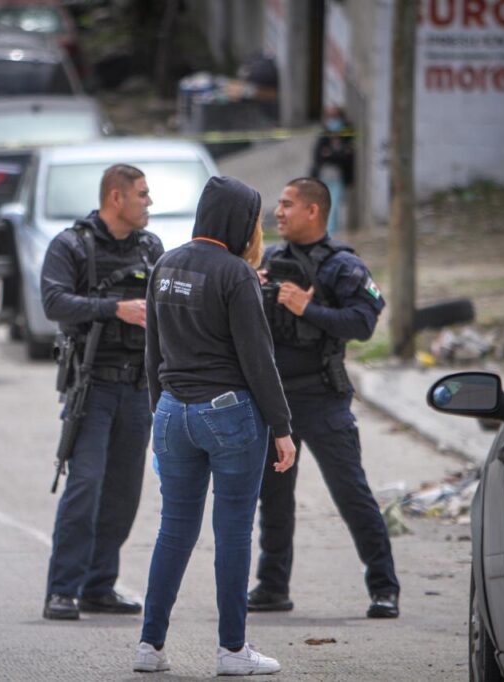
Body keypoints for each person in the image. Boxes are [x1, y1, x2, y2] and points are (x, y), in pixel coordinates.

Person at [134, 176, 296, 676]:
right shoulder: (236, 274)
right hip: (228, 414)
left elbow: (152, 353)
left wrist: (159, 417)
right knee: (232, 533)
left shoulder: (165, 264)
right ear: (240, 221)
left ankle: (149, 646)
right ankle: (232, 651)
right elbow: (258, 360)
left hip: (171, 412)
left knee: (173, 532)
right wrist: (283, 426)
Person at [247, 177, 399, 619]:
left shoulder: (342, 266)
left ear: (313, 211)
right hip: (277, 403)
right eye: (279, 204)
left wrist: (306, 309)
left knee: (351, 494)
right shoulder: (270, 260)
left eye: (288, 204)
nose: (278, 212)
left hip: (323, 399)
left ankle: (384, 588)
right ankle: (272, 586)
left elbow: (364, 322)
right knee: (273, 498)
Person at [40, 164, 164, 620]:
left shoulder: (151, 248)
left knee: (124, 492)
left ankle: (99, 586)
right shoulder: (72, 245)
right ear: (117, 198)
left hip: (137, 388)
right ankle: (62, 589)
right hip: (91, 386)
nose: (148, 203)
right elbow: (53, 303)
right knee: (86, 486)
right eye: (142, 194)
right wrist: (115, 309)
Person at [310, 106, 355, 235]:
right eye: (330, 117)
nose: (333, 121)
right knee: (321, 204)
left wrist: (332, 154)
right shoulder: (324, 135)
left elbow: (346, 157)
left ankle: (330, 232)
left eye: (335, 117)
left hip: (338, 175)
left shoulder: (346, 134)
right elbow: (318, 156)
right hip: (323, 175)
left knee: (334, 205)